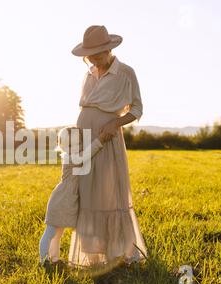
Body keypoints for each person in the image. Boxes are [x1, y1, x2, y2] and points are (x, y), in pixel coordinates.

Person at [68, 25, 148, 269]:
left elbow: (136, 109)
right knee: (88, 192)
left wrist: (115, 122)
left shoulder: (125, 73)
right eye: (90, 55)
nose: (94, 59)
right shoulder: (89, 73)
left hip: (107, 137)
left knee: (110, 192)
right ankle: (94, 255)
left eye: (98, 54)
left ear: (109, 49)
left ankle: (118, 253)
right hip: (84, 136)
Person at [39, 126, 108, 268]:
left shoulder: (73, 155)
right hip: (60, 200)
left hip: (67, 200)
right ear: (63, 146)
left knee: (58, 234)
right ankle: (43, 261)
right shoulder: (70, 157)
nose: (75, 147)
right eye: (70, 145)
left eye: (78, 143)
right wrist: (99, 141)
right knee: (51, 232)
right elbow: (85, 156)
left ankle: (54, 259)